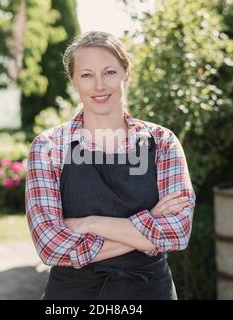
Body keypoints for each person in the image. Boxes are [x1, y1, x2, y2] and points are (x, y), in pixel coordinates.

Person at [25, 30, 196, 300]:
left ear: (126, 74)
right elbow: (50, 246)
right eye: (86, 75)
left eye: (110, 72)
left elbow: (177, 233)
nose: (99, 86)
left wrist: (88, 224)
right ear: (73, 81)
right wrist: (149, 224)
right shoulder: (49, 147)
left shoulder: (162, 143)